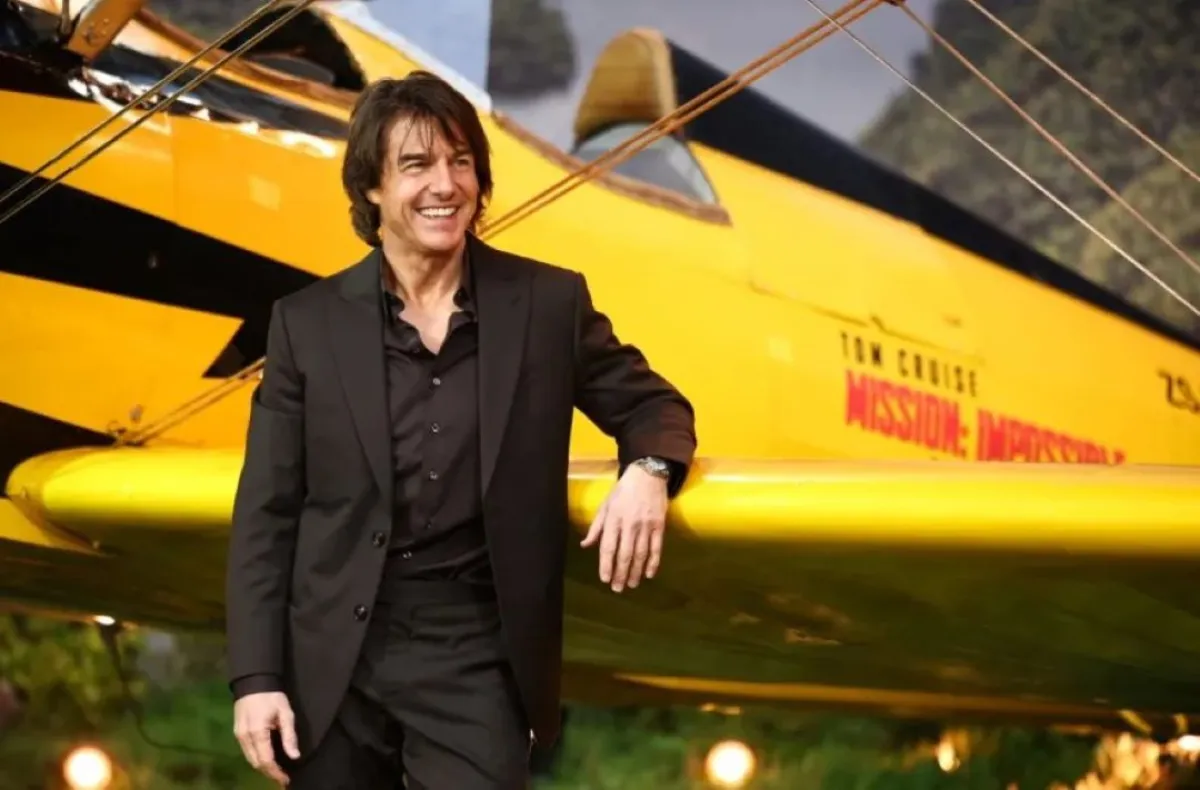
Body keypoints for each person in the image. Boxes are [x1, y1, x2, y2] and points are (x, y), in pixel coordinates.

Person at [224, 70, 696, 789]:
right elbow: (266, 515)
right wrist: (256, 678)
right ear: (372, 189)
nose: (445, 184)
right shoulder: (304, 324)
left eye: (461, 161)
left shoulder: (549, 304)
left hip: (476, 652)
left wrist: (649, 472)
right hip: (330, 662)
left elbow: (655, 406)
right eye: (416, 165)